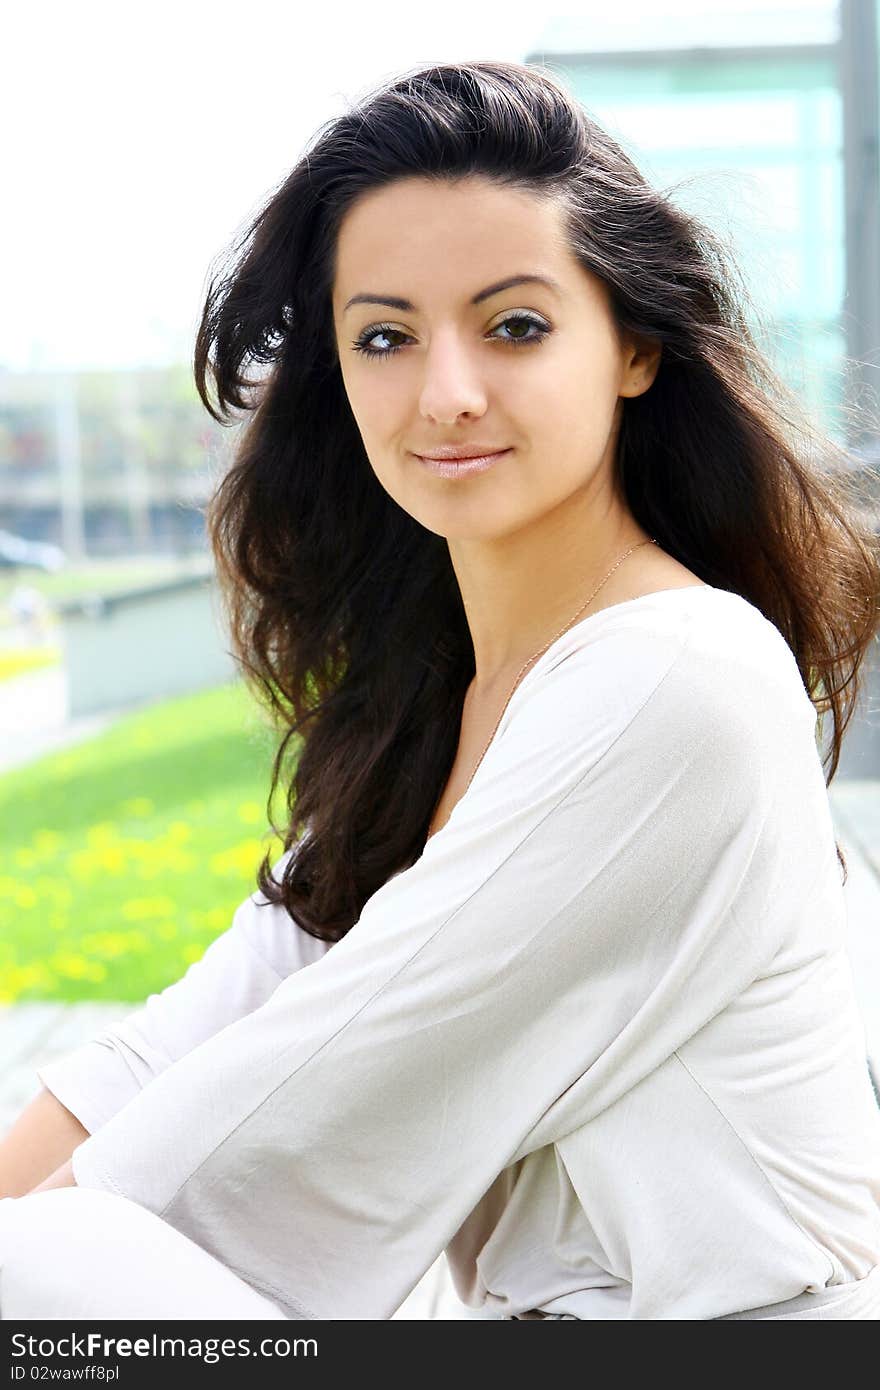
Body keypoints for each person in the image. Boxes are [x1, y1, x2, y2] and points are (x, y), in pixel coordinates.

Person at [2, 57, 880, 1322]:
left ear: (633, 347)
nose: (445, 393)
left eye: (515, 325)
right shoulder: (439, 703)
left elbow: (299, 1097)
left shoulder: (679, 678)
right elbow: (184, 1038)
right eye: (385, 336)